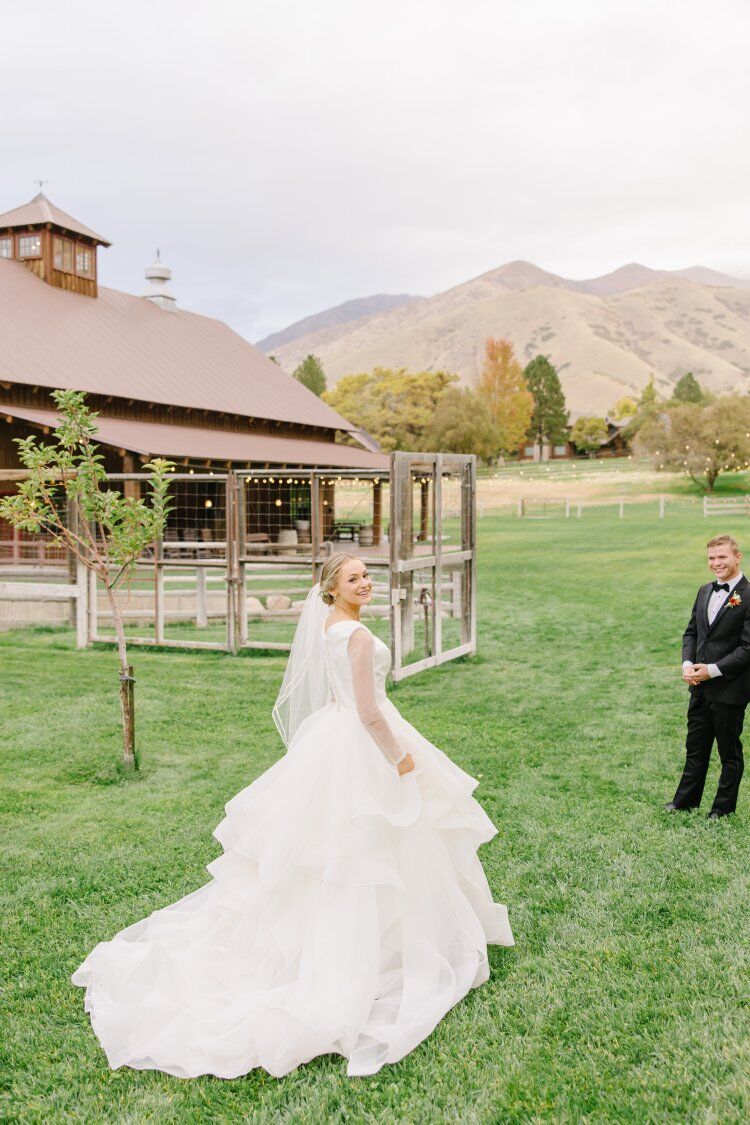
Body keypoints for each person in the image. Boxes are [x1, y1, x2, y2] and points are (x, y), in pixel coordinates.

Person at [72, 553, 513, 1078]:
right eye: (353, 579)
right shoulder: (353, 635)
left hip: (334, 734)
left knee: (335, 848)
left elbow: (333, 695)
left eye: (366, 576)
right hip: (363, 740)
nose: (365, 583)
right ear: (332, 589)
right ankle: (378, 950)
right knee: (373, 842)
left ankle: (373, 942)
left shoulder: (330, 627)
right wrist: (401, 759)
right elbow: (368, 712)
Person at [667, 534, 750, 818]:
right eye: (711, 558)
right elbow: (692, 633)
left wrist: (712, 670)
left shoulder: (748, 595)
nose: (716, 563)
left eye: (722, 557)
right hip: (699, 687)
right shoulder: (704, 591)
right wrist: (687, 665)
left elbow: (747, 648)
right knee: (695, 748)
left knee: (729, 753)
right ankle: (684, 802)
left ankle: (722, 810)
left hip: (729, 689)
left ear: (737, 557)